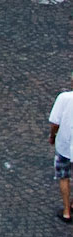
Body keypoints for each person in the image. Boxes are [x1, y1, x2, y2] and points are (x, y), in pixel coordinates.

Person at [49, 83, 73, 224]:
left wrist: (52, 136)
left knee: (64, 177)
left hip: (64, 145)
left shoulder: (64, 98)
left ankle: (66, 212)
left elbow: (55, 123)